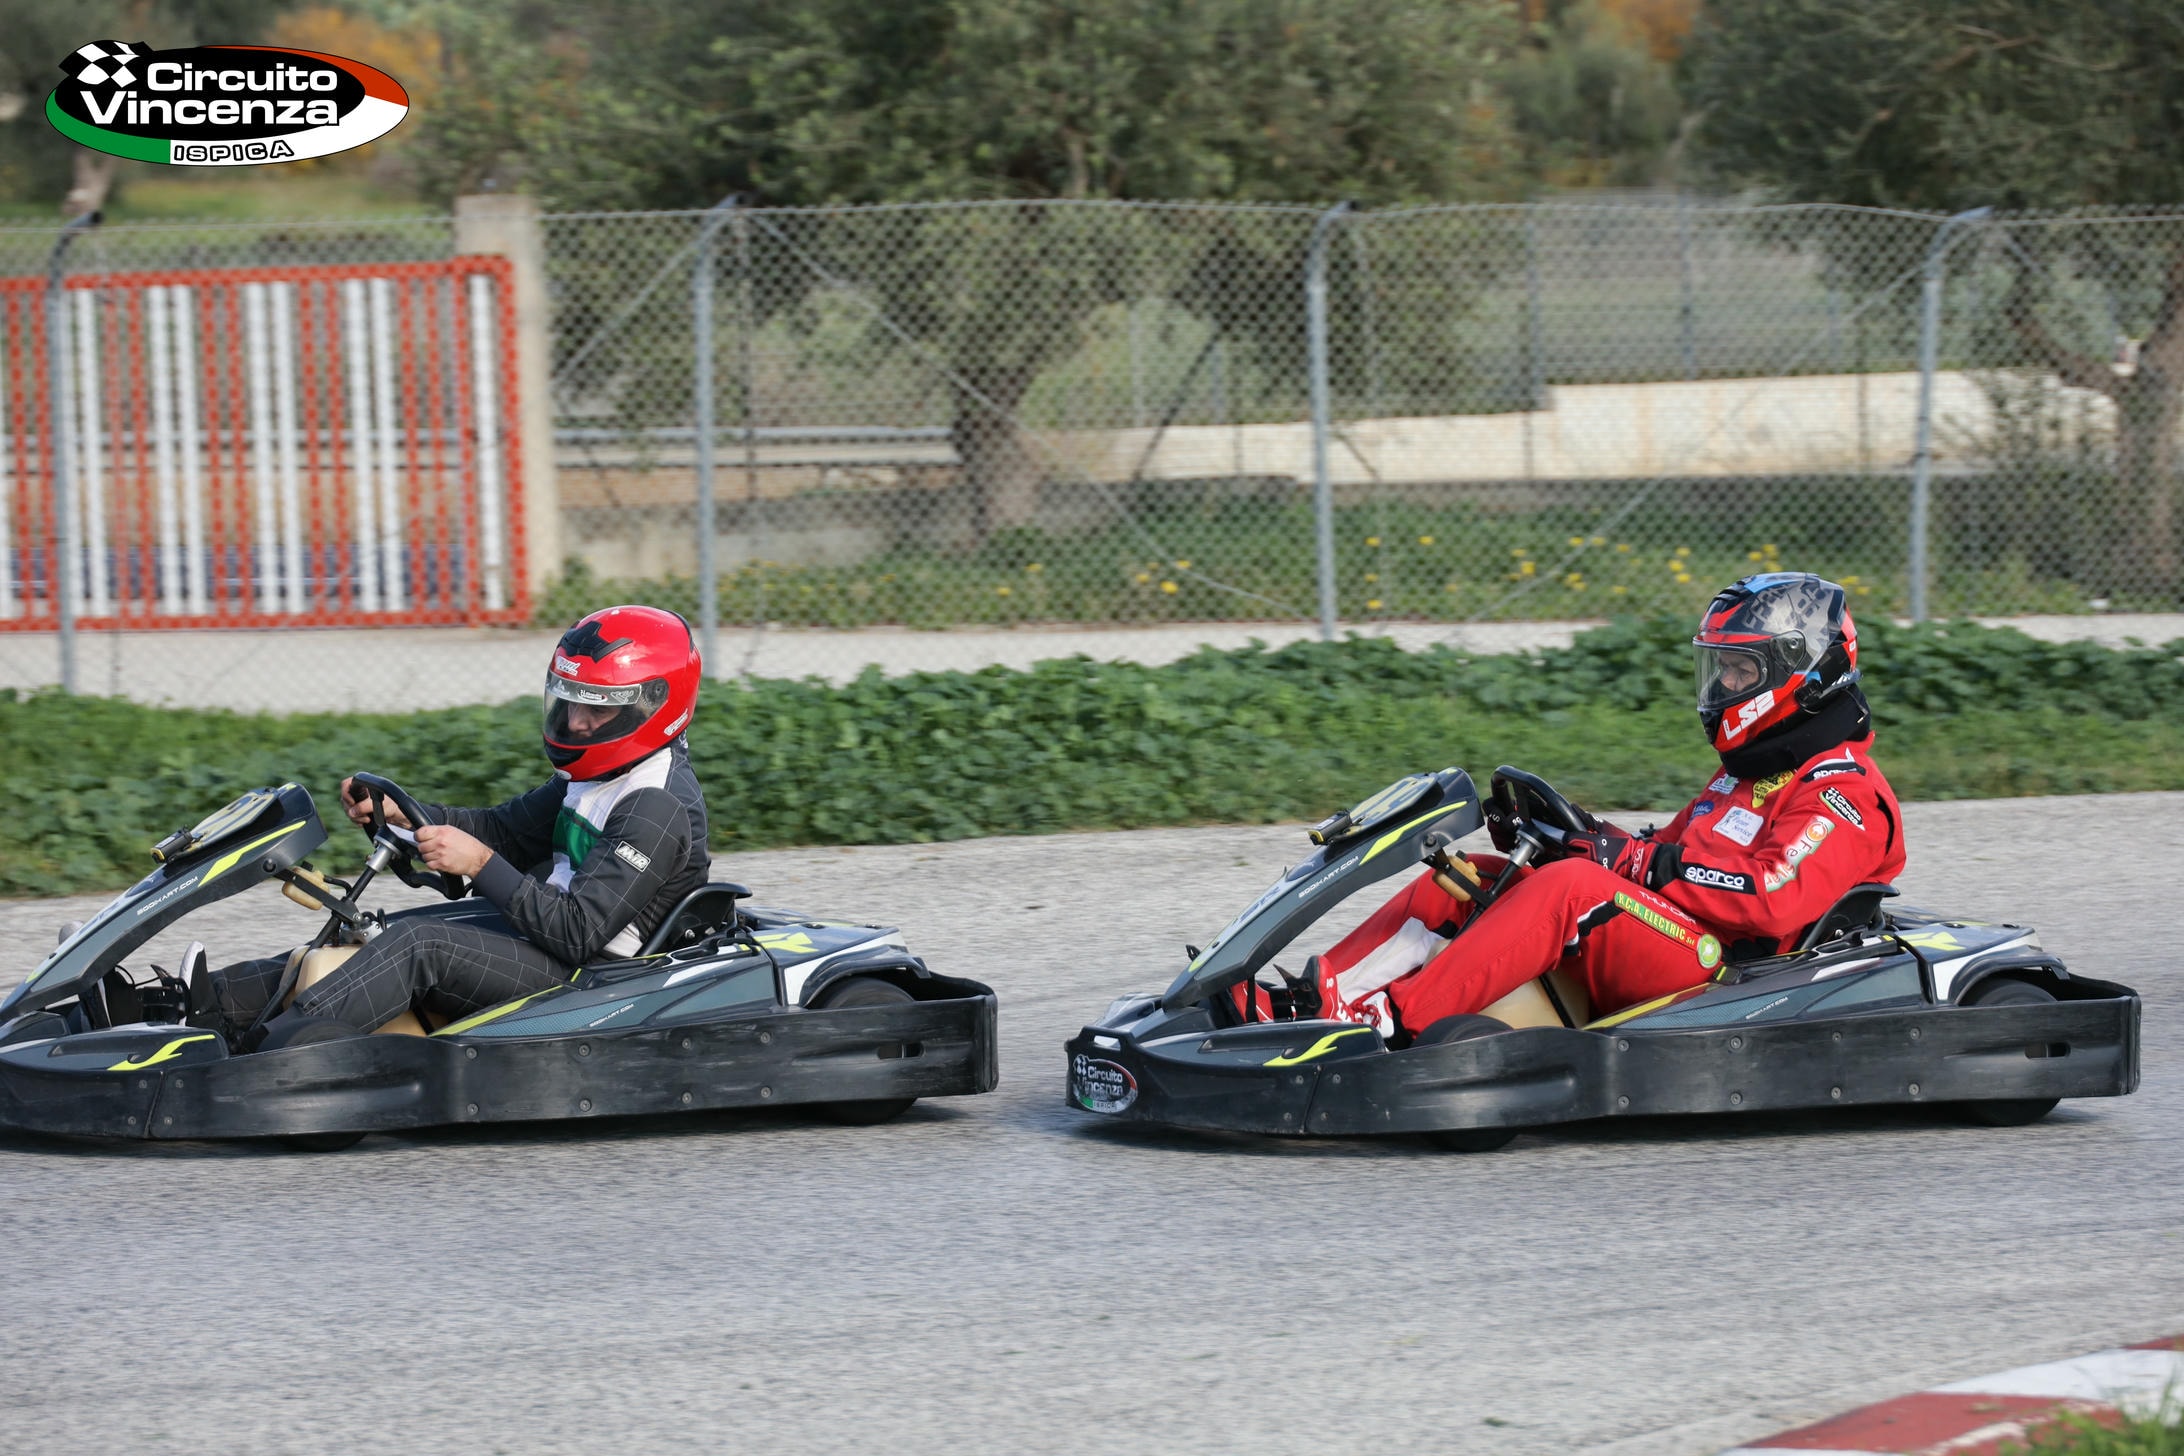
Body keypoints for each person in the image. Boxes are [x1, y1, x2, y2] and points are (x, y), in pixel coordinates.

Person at [1297, 572, 1905, 1039]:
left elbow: (1770, 896)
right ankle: (1321, 1001)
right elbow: (1664, 853)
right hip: (1679, 936)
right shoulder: (1746, 776)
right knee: (1469, 878)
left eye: (1742, 671)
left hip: (1732, 974)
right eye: (1722, 668)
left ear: (1805, 672)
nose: (1724, 686)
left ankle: (1391, 1022)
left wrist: (1631, 864)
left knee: (1573, 891)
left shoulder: (1843, 793)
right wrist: (1580, 835)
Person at [208, 604, 712, 1043]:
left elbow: (578, 931)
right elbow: (503, 831)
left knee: (419, 946)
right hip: (551, 943)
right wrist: (403, 815)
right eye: (571, 700)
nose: (576, 721)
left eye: (596, 709)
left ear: (652, 706)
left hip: (595, 980)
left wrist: (479, 863)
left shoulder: (656, 806)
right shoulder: (602, 774)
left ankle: (268, 1052)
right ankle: (207, 1005)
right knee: (379, 933)